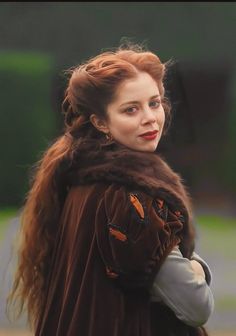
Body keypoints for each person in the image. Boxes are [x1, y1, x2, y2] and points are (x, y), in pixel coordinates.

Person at [8, 43, 214, 336]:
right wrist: (200, 269)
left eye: (154, 103)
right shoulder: (131, 200)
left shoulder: (78, 179)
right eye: (131, 109)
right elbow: (197, 307)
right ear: (101, 122)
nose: (149, 118)